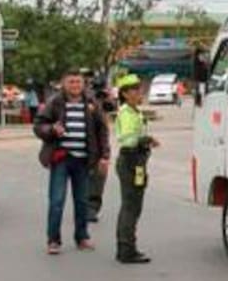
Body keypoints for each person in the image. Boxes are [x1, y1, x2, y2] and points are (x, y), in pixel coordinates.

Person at [33, 68, 110, 254]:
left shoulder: (91, 103)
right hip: (61, 159)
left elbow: (102, 131)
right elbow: (38, 126)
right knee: (57, 200)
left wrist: (105, 156)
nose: (75, 86)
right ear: (63, 84)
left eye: (78, 82)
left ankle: (82, 237)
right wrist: (51, 129)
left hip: (84, 159)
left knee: (82, 201)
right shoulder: (55, 103)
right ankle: (53, 240)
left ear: (83, 84)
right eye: (71, 82)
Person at [113, 74, 160, 263]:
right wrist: (145, 140)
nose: (139, 92)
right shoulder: (126, 113)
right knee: (130, 206)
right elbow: (126, 139)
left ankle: (127, 247)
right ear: (124, 94)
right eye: (134, 89)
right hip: (130, 161)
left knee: (134, 206)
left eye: (139, 88)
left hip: (138, 162)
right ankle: (126, 249)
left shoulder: (135, 112)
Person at [83, 70, 117, 223]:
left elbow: (111, 107)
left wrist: (108, 97)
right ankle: (84, 207)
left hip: (99, 140)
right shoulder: (84, 95)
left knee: (98, 178)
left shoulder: (101, 95)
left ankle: (92, 208)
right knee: (85, 178)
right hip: (84, 141)